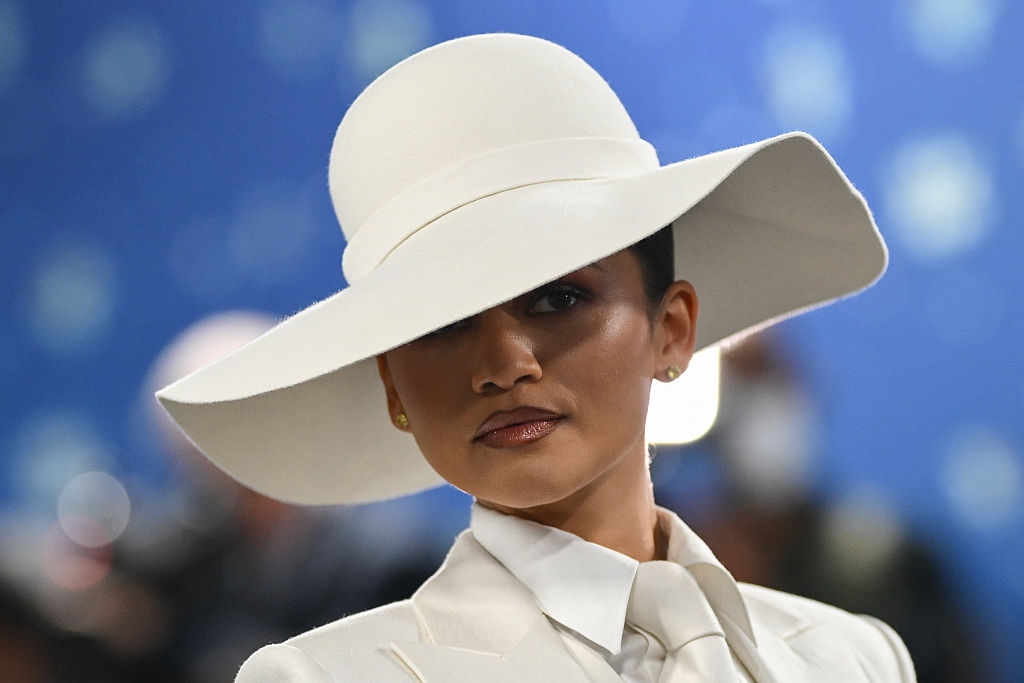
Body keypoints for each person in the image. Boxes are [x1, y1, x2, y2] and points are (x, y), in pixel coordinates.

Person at [156, 33, 915, 682]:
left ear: (672, 329)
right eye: (440, 323)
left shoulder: (853, 658)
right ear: (393, 385)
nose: (503, 363)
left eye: (558, 298)